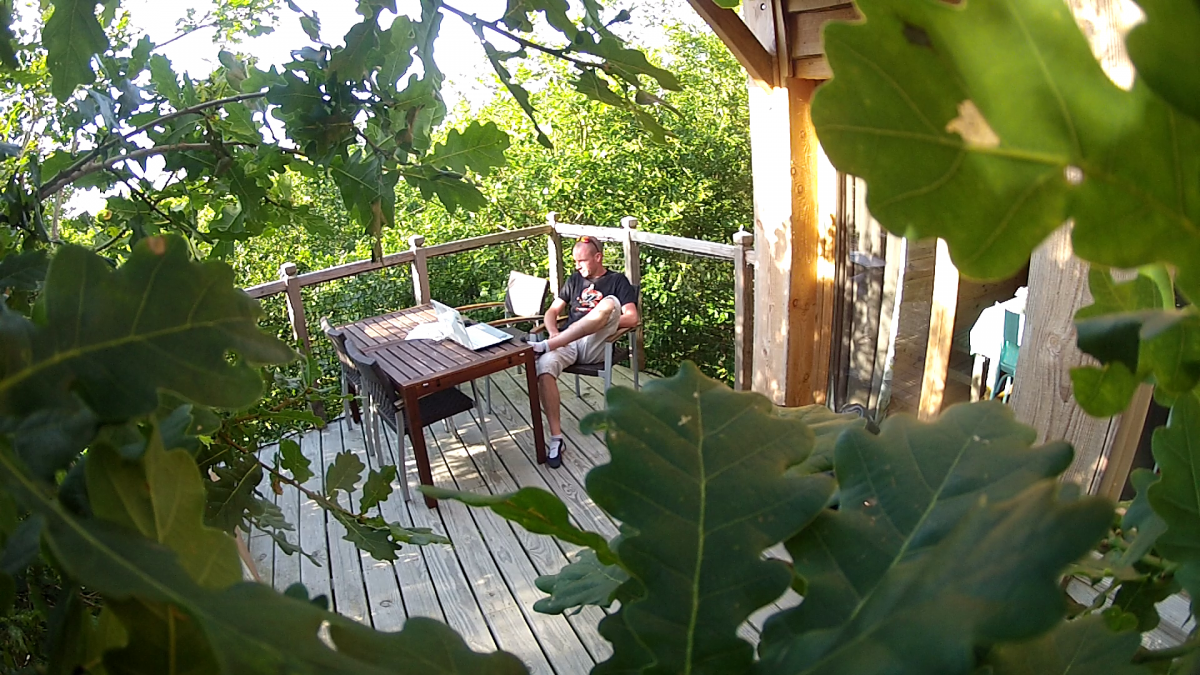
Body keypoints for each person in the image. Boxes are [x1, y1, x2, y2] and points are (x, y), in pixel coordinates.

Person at [529, 236, 639, 468]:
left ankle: (546, 347)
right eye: (574, 261)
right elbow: (552, 312)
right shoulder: (573, 280)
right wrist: (552, 333)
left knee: (609, 303)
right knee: (544, 369)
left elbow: (632, 317)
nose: (577, 266)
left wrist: (603, 322)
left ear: (598, 257)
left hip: (596, 342)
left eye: (581, 260)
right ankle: (556, 439)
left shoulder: (617, 281)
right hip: (565, 342)